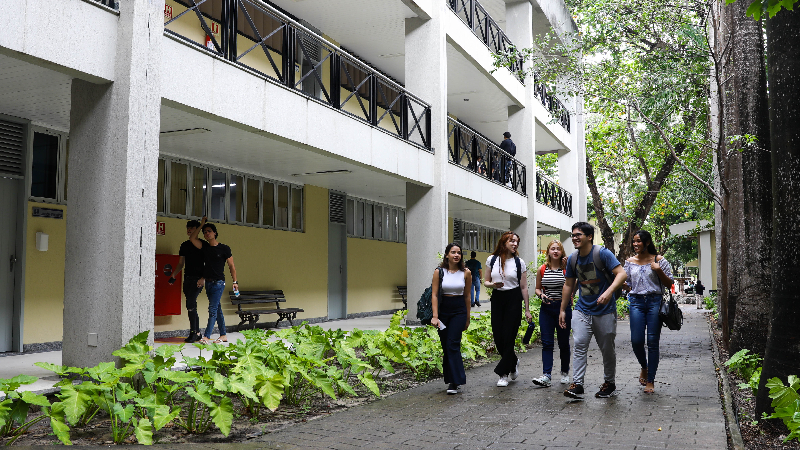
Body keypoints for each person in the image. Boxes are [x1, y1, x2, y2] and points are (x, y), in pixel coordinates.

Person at [559, 222, 627, 399]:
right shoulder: (573, 259)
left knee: (607, 349)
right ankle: (578, 384)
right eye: (573, 235)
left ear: (589, 237)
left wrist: (608, 292)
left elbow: (622, 274)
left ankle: (609, 383)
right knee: (580, 344)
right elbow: (568, 285)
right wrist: (562, 310)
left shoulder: (602, 253)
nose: (575, 238)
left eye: (578, 234)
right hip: (582, 309)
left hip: (605, 310)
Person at [623, 230, 674, 394]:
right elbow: (628, 283)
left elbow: (669, 283)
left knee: (652, 342)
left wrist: (658, 270)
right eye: (634, 241)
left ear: (647, 243)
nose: (635, 244)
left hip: (655, 302)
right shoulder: (629, 262)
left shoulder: (659, 260)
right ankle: (644, 367)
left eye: (639, 241)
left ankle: (650, 380)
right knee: (636, 340)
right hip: (636, 302)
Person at [485, 231, 530, 387]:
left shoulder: (520, 262)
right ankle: (514, 361)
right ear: (504, 242)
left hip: (514, 299)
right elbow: (486, 281)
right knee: (498, 336)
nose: (515, 244)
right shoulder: (492, 259)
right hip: (498, 298)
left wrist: (527, 309)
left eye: (517, 241)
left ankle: (503, 374)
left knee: (509, 336)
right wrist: (493, 285)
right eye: (511, 241)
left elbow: (524, 287)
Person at [431, 243, 472, 395]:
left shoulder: (466, 272)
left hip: (459, 311)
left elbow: (467, 296)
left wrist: (467, 318)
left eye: (459, 253)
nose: (456, 255)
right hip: (443, 312)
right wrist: (435, 316)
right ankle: (451, 378)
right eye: (453, 252)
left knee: (452, 344)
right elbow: (434, 294)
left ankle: (455, 381)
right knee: (446, 346)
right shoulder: (439, 272)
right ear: (447, 255)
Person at [190, 217, 239, 345]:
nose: (207, 233)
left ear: (215, 233)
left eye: (209, 231)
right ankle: (223, 335)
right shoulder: (205, 247)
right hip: (209, 283)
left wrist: (235, 281)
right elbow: (192, 238)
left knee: (212, 310)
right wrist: (201, 225)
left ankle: (206, 336)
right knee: (217, 309)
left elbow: (231, 266)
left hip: (219, 283)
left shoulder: (224, 248)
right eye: (205, 232)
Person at [532, 240, 572, 387]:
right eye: (552, 249)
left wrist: (568, 268)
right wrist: (540, 295)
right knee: (547, 343)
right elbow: (537, 288)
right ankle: (546, 375)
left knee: (563, 343)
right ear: (548, 251)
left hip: (563, 308)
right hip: (547, 308)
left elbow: (574, 285)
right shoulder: (542, 269)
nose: (555, 251)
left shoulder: (566, 269)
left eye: (558, 249)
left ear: (562, 252)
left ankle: (564, 373)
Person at [169, 220, 205, 343]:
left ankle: (193, 333)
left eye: (192, 228)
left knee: (190, 303)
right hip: (187, 278)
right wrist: (173, 275)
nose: (189, 230)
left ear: (197, 229)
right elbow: (181, 263)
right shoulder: (184, 245)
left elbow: (208, 264)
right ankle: (197, 332)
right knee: (191, 305)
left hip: (198, 279)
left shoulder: (202, 244)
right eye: (188, 228)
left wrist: (203, 278)